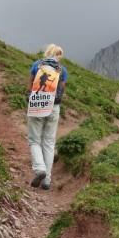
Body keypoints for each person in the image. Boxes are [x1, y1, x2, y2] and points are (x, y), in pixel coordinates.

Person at [26, 44, 67, 190]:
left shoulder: (37, 65)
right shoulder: (63, 70)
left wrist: (30, 97)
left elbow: (30, 84)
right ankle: (47, 181)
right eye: (60, 54)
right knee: (49, 143)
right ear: (57, 55)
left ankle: (40, 169)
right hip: (53, 107)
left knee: (34, 140)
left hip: (37, 105)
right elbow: (61, 89)